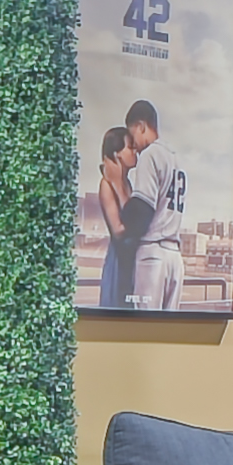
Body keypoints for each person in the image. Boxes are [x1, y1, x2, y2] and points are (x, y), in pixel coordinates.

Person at [91, 99, 161, 309]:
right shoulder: (106, 185)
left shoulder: (129, 184)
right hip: (119, 263)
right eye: (130, 148)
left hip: (133, 261)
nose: (135, 152)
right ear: (117, 155)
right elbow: (120, 230)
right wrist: (115, 184)